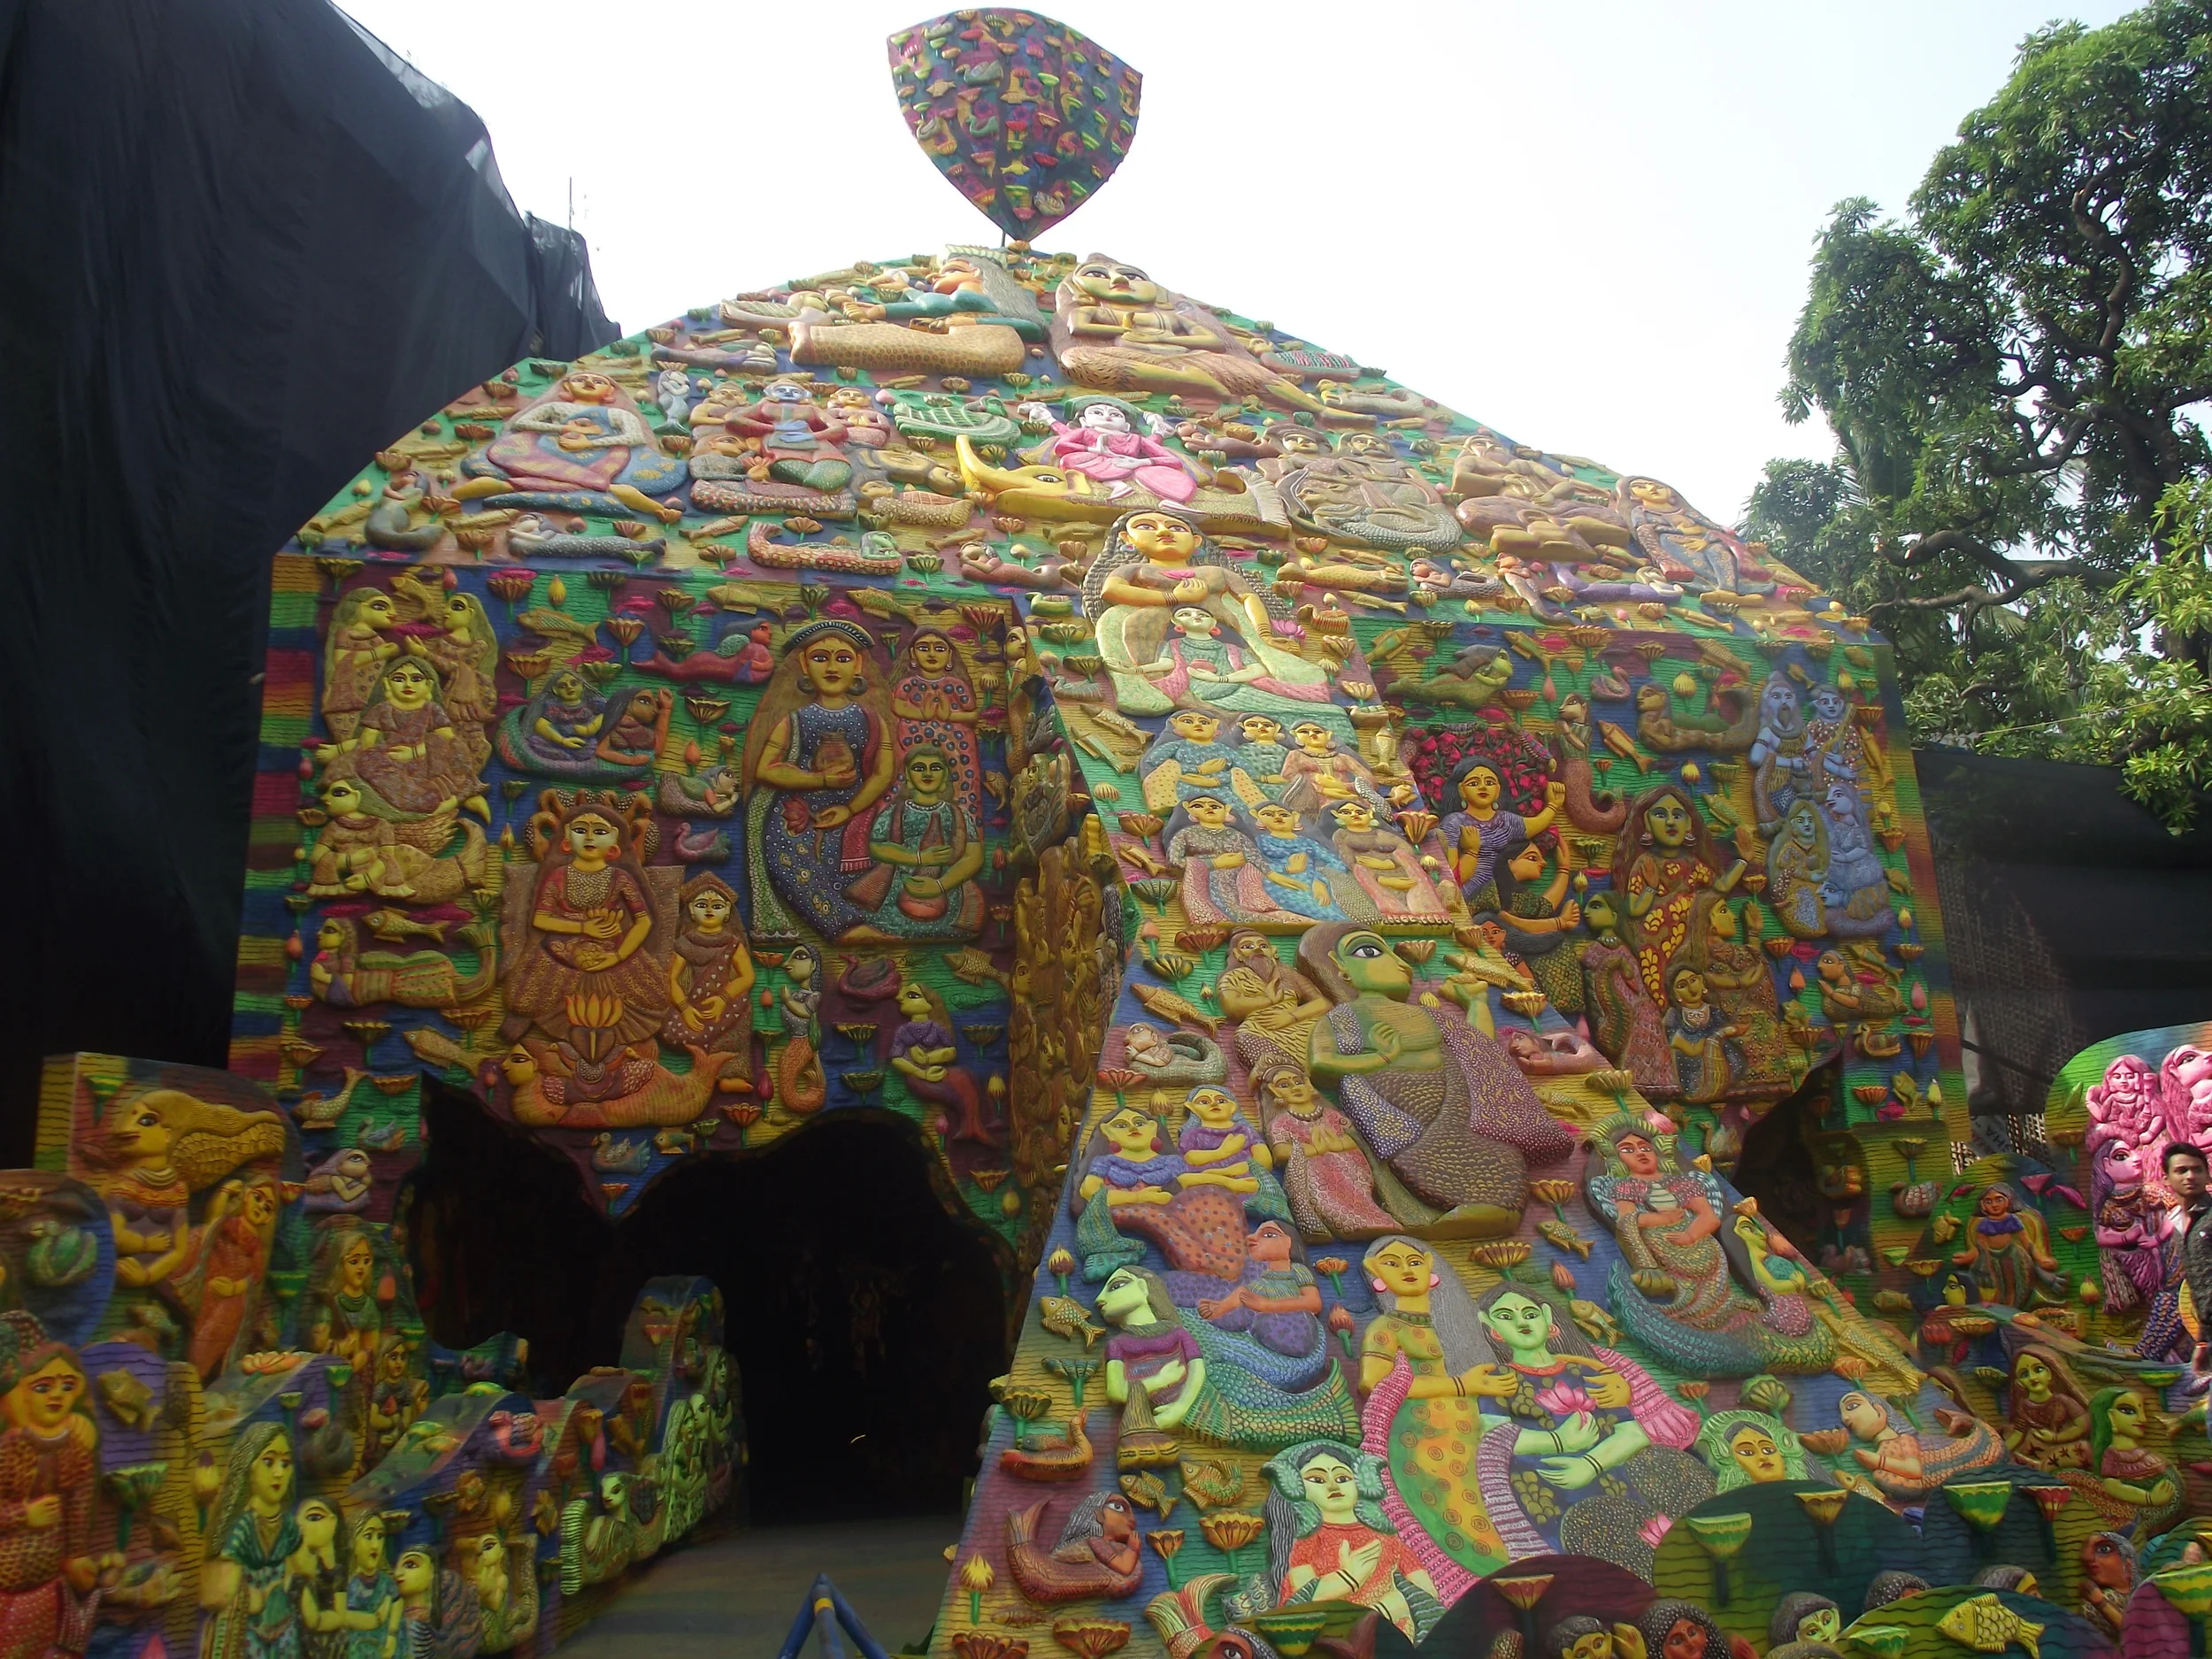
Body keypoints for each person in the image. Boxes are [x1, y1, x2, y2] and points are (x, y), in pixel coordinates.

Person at [2167, 1142, 2212, 1394]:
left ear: (2208, 1175)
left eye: (2197, 1170)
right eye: (2181, 1170)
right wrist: (2203, 1342)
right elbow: (2200, 1288)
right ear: (2167, 1178)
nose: (2190, 1176)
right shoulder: (2176, 1224)